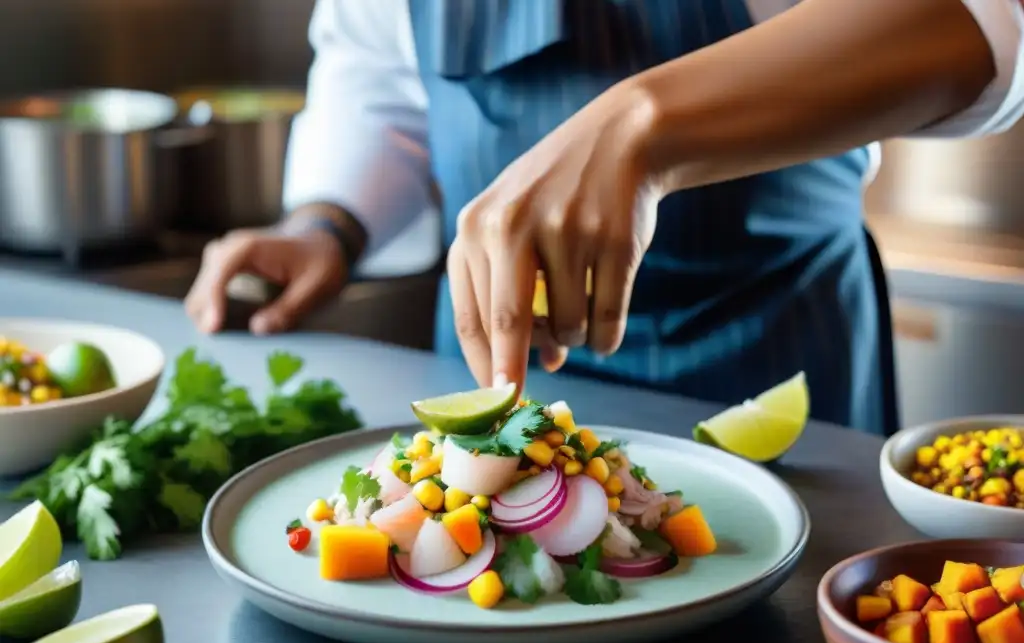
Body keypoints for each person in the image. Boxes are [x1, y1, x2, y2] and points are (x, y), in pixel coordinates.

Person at [185, 0, 1024, 436]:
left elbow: (979, 24)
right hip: (495, 371)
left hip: (775, 355)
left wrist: (641, 122)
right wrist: (328, 223)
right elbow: (377, 71)